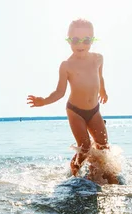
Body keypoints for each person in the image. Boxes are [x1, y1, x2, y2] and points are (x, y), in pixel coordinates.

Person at [27, 18, 116, 181]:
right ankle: (73, 172)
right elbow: (60, 92)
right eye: (75, 40)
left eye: (86, 40)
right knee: (85, 147)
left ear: (92, 40)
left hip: (94, 110)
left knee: (103, 144)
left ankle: (94, 173)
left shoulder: (98, 59)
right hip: (76, 111)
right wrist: (44, 101)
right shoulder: (66, 65)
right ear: (69, 41)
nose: (80, 44)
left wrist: (103, 90)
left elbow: (100, 77)